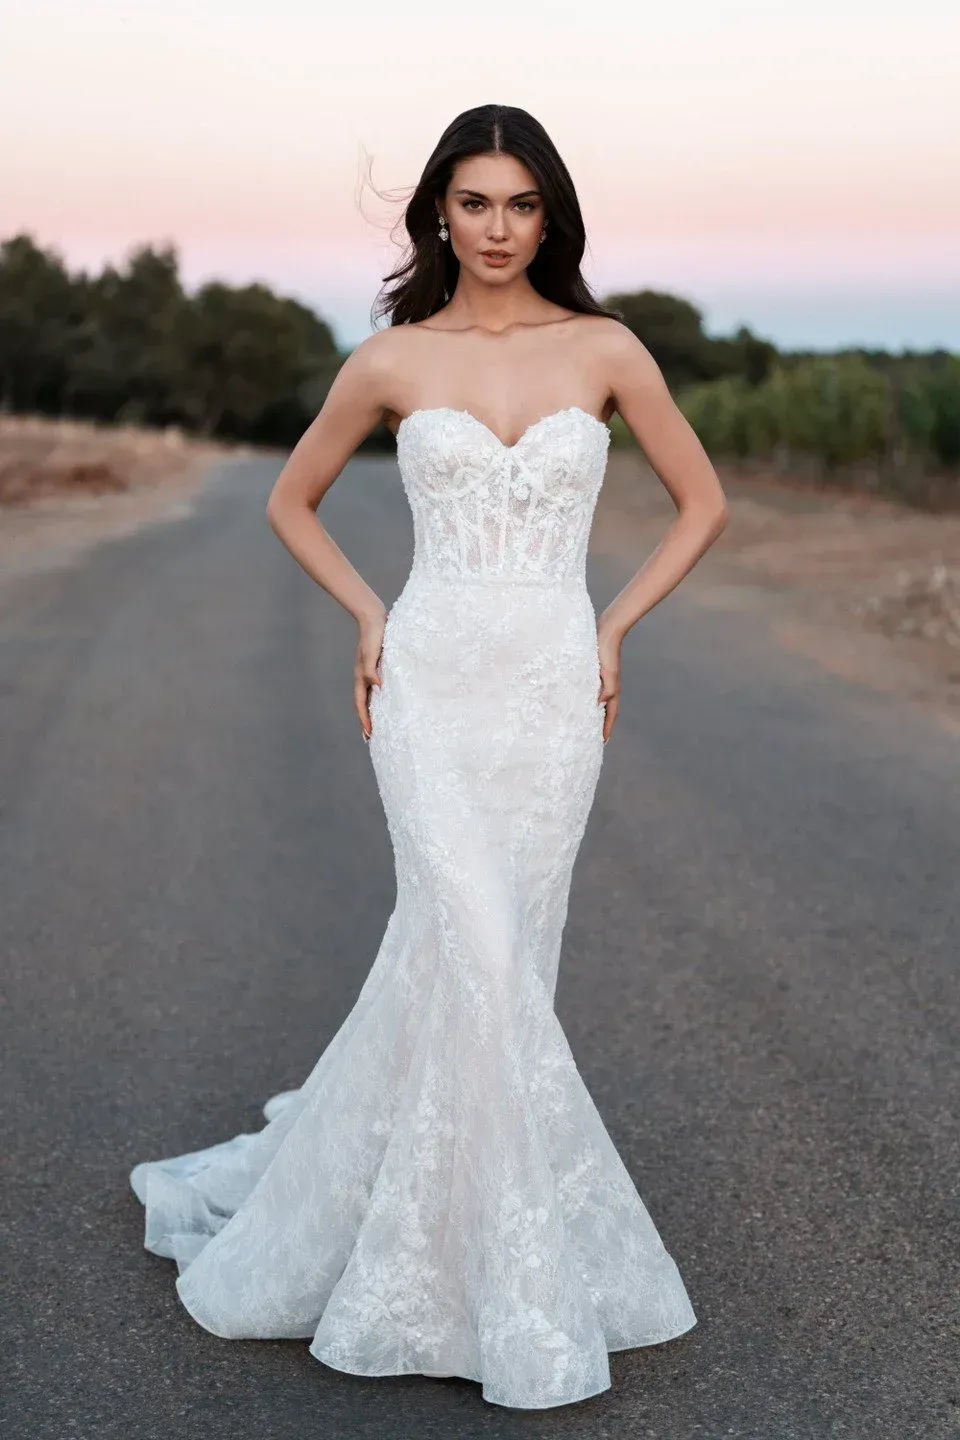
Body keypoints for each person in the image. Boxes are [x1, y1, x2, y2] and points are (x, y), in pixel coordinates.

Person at [129, 103, 728, 1410]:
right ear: (438, 215)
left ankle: (465, 1242)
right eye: (476, 203)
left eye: (521, 204)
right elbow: (294, 499)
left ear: (550, 214)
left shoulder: (606, 349)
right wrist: (365, 609)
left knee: (493, 968)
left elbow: (705, 502)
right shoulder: (395, 360)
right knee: (477, 952)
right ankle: (489, 1284)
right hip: (433, 682)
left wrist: (617, 621)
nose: (500, 228)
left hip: (553, 691)